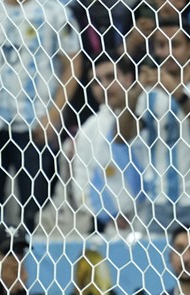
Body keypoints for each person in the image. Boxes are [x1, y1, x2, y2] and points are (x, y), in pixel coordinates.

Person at [0, 0, 83, 232]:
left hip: (35, 123)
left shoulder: (55, 11)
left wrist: (54, 112)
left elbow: (72, 61)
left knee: (36, 205)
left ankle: (33, 262)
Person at [117, 17, 190, 234]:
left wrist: (177, 92)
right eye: (160, 45)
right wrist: (134, 95)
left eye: (174, 44)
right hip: (159, 204)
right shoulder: (150, 94)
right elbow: (122, 136)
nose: (166, 52)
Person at [72, 53, 144, 239]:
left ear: (128, 78)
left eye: (111, 77)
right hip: (108, 229)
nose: (104, 86)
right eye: (96, 82)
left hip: (152, 217)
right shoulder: (89, 129)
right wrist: (109, 216)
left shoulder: (150, 113)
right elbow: (81, 183)